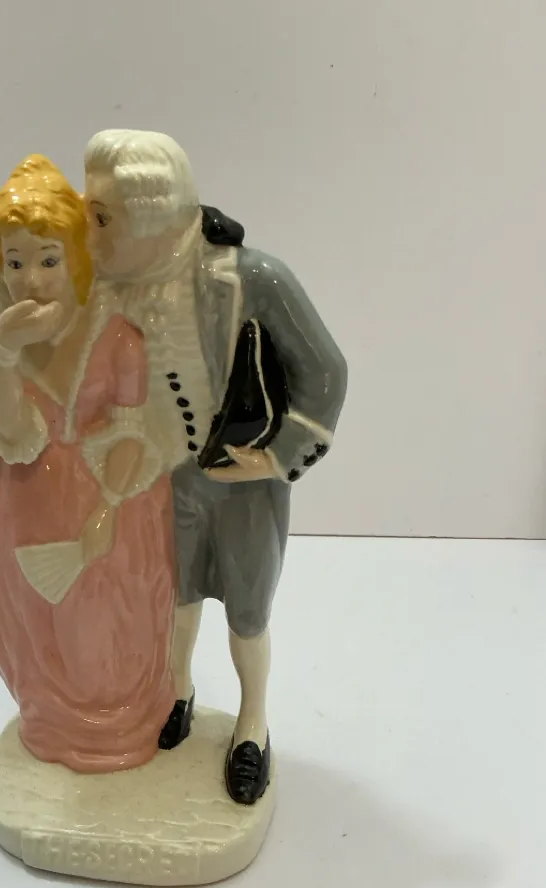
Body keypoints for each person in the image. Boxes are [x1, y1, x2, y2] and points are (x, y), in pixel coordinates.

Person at [81, 130, 348, 803]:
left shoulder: (250, 279)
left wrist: (277, 456)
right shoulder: (108, 285)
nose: (89, 232)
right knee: (174, 595)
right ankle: (177, 693)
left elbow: (325, 370)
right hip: (161, 481)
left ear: (149, 218)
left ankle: (252, 723)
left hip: (241, 484)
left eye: (102, 217)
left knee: (247, 610)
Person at [0, 155, 176, 773]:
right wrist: (8, 355)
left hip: (106, 503)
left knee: (102, 635)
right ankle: (52, 725)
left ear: (75, 261)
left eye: (47, 260)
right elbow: (11, 436)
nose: (32, 279)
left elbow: (132, 438)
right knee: (37, 624)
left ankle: (118, 732)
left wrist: (105, 513)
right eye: (14, 262)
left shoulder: (117, 338)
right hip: (28, 501)